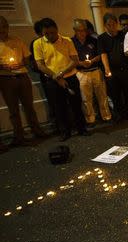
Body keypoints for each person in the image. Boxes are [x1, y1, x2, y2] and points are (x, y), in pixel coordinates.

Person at [34, 18, 88, 141]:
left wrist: (62, 73)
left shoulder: (67, 41)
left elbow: (74, 60)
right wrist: (55, 76)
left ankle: (82, 128)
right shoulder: (38, 44)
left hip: (70, 77)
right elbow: (40, 65)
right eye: (46, 33)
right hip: (52, 80)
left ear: (57, 30)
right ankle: (65, 132)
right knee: (59, 107)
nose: (50, 36)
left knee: (76, 104)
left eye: (52, 33)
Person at [0, 16, 47, 146]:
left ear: (7, 27)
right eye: (0, 27)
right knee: (13, 109)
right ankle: (18, 136)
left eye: (4, 26)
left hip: (22, 76)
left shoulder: (17, 40)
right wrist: (4, 66)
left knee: (29, 106)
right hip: (5, 78)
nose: (2, 30)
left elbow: (27, 58)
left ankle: (36, 130)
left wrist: (20, 63)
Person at [72, 19, 111, 127]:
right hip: (82, 72)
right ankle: (90, 119)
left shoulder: (93, 40)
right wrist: (81, 63)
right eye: (79, 30)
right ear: (75, 30)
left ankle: (106, 116)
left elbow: (100, 54)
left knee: (102, 95)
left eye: (84, 30)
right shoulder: (71, 42)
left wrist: (92, 61)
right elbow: (71, 59)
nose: (82, 33)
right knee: (86, 98)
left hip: (95, 70)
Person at [98, 13, 128, 122]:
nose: (111, 27)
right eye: (108, 25)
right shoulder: (102, 38)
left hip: (126, 69)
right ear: (105, 25)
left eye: (113, 24)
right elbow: (103, 54)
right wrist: (107, 69)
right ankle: (119, 114)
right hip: (112, 71)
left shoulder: (123, 35)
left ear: (116, 24)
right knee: (115, 94)